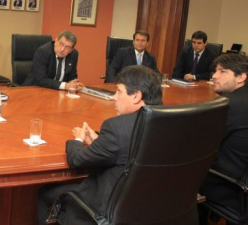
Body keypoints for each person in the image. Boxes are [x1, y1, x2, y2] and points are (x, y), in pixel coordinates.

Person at [38, 65, 163, 224]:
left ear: (136, 96)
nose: (114, 97)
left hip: (105, 211)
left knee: (45, 193)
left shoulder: (116, 127)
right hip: (148, 209)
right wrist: (99, 142)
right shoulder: (169, 125)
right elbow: (131, 150)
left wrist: (77, 139)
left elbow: (77, 160)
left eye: (119, 91)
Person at [198, 54, 248, 224]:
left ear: (241, 77)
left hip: (228, 186)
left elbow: (196, 147)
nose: (214, 76)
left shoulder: (226, 104)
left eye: (222, 72)